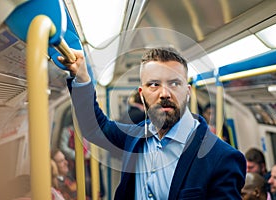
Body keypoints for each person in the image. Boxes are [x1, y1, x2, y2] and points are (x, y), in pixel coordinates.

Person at [58, 47, 246, 199]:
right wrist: (82, 78)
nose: (164, 93)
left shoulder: (222, 158)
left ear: (188, 91)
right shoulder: (135, 137)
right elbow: (94, 128)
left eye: (174, 83)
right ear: (142, 93)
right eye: (154, 84)